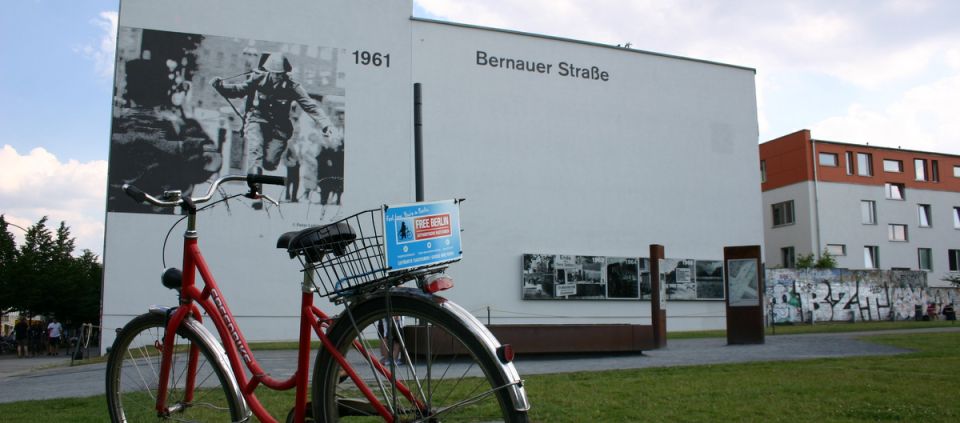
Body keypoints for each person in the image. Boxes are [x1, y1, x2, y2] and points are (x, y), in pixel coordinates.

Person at [211, 53, 332, 176]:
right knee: (255, 150)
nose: (276, 76)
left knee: (269, 163)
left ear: (285, 73)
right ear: (268, 71)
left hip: (279, 129)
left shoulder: (292, 86)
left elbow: (310, 106)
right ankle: (255, 185)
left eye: (280, 74)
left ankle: (264, 165)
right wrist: (221, 87)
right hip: (258, 120)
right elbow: (240, 90)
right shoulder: (257, 78)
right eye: (274, 73)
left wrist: (326, 124)